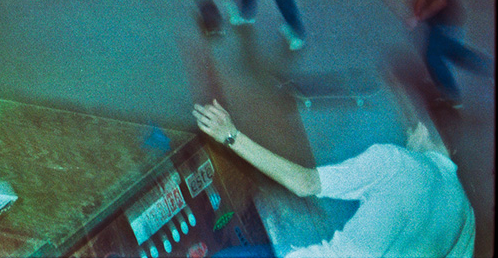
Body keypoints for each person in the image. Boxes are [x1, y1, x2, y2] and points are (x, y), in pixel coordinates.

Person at [192, 99, 476, 258]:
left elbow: (305, 184)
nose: (408, 134)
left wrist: (231, 136)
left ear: (424, 129)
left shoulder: (395, 161)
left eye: (412, 128)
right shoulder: (466, 214)